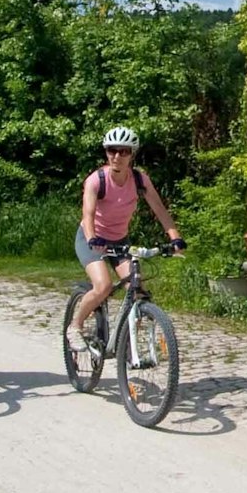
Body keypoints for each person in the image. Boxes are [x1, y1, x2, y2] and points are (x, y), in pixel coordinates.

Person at [72, 125, 183, 341]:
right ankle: (76, 326)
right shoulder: (96, 180)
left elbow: (159, 209)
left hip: (120, 241)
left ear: (132, 154)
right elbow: (88, 214)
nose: (117, 156)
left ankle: (126, 340)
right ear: (106, 152)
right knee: (103, 286)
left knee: (138, 288)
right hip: (90, 239)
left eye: (124, 151)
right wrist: (93, 238)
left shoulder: (140, 180)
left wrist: (175, 237)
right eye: (112, 150)